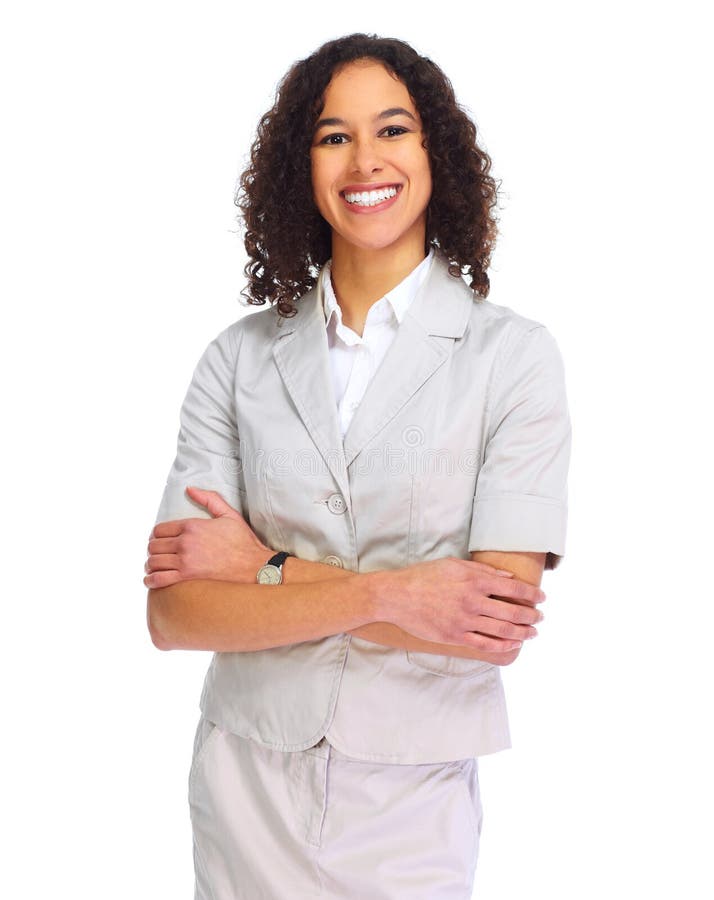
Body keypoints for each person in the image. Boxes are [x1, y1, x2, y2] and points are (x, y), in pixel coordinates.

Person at [145, 32, 571, 899]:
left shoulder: (514, 358)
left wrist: (263, 568)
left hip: (411, 799)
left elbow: (488, 623)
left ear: (434, 154)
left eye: (393, 130)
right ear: (300, 168)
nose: (364, 160)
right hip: (245, 785)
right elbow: (178, 612)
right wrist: (393, 593)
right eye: (333, 136)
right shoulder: (238, 360)